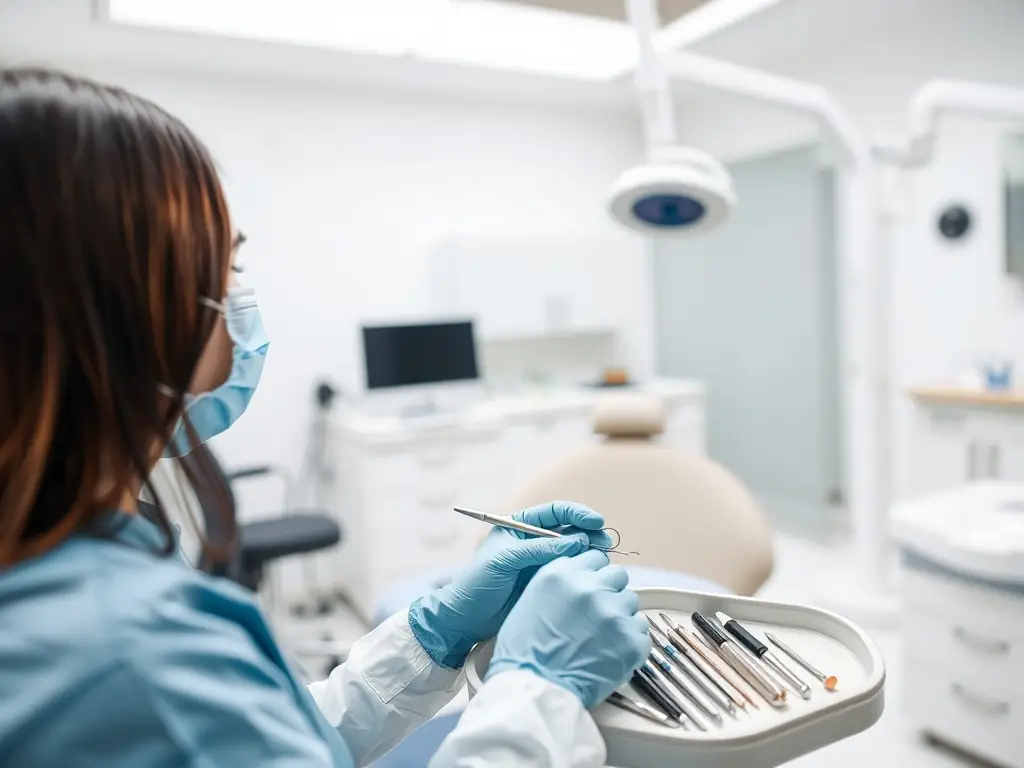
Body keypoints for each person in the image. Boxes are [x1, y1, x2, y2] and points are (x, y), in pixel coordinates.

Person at [0, 68, 652, 766]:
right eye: (224, 265)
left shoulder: (60, 581)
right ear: (117, 309)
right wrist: (539, 694)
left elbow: (257, 742)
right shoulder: (121, 654)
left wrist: (432, 637)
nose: (238, 300)